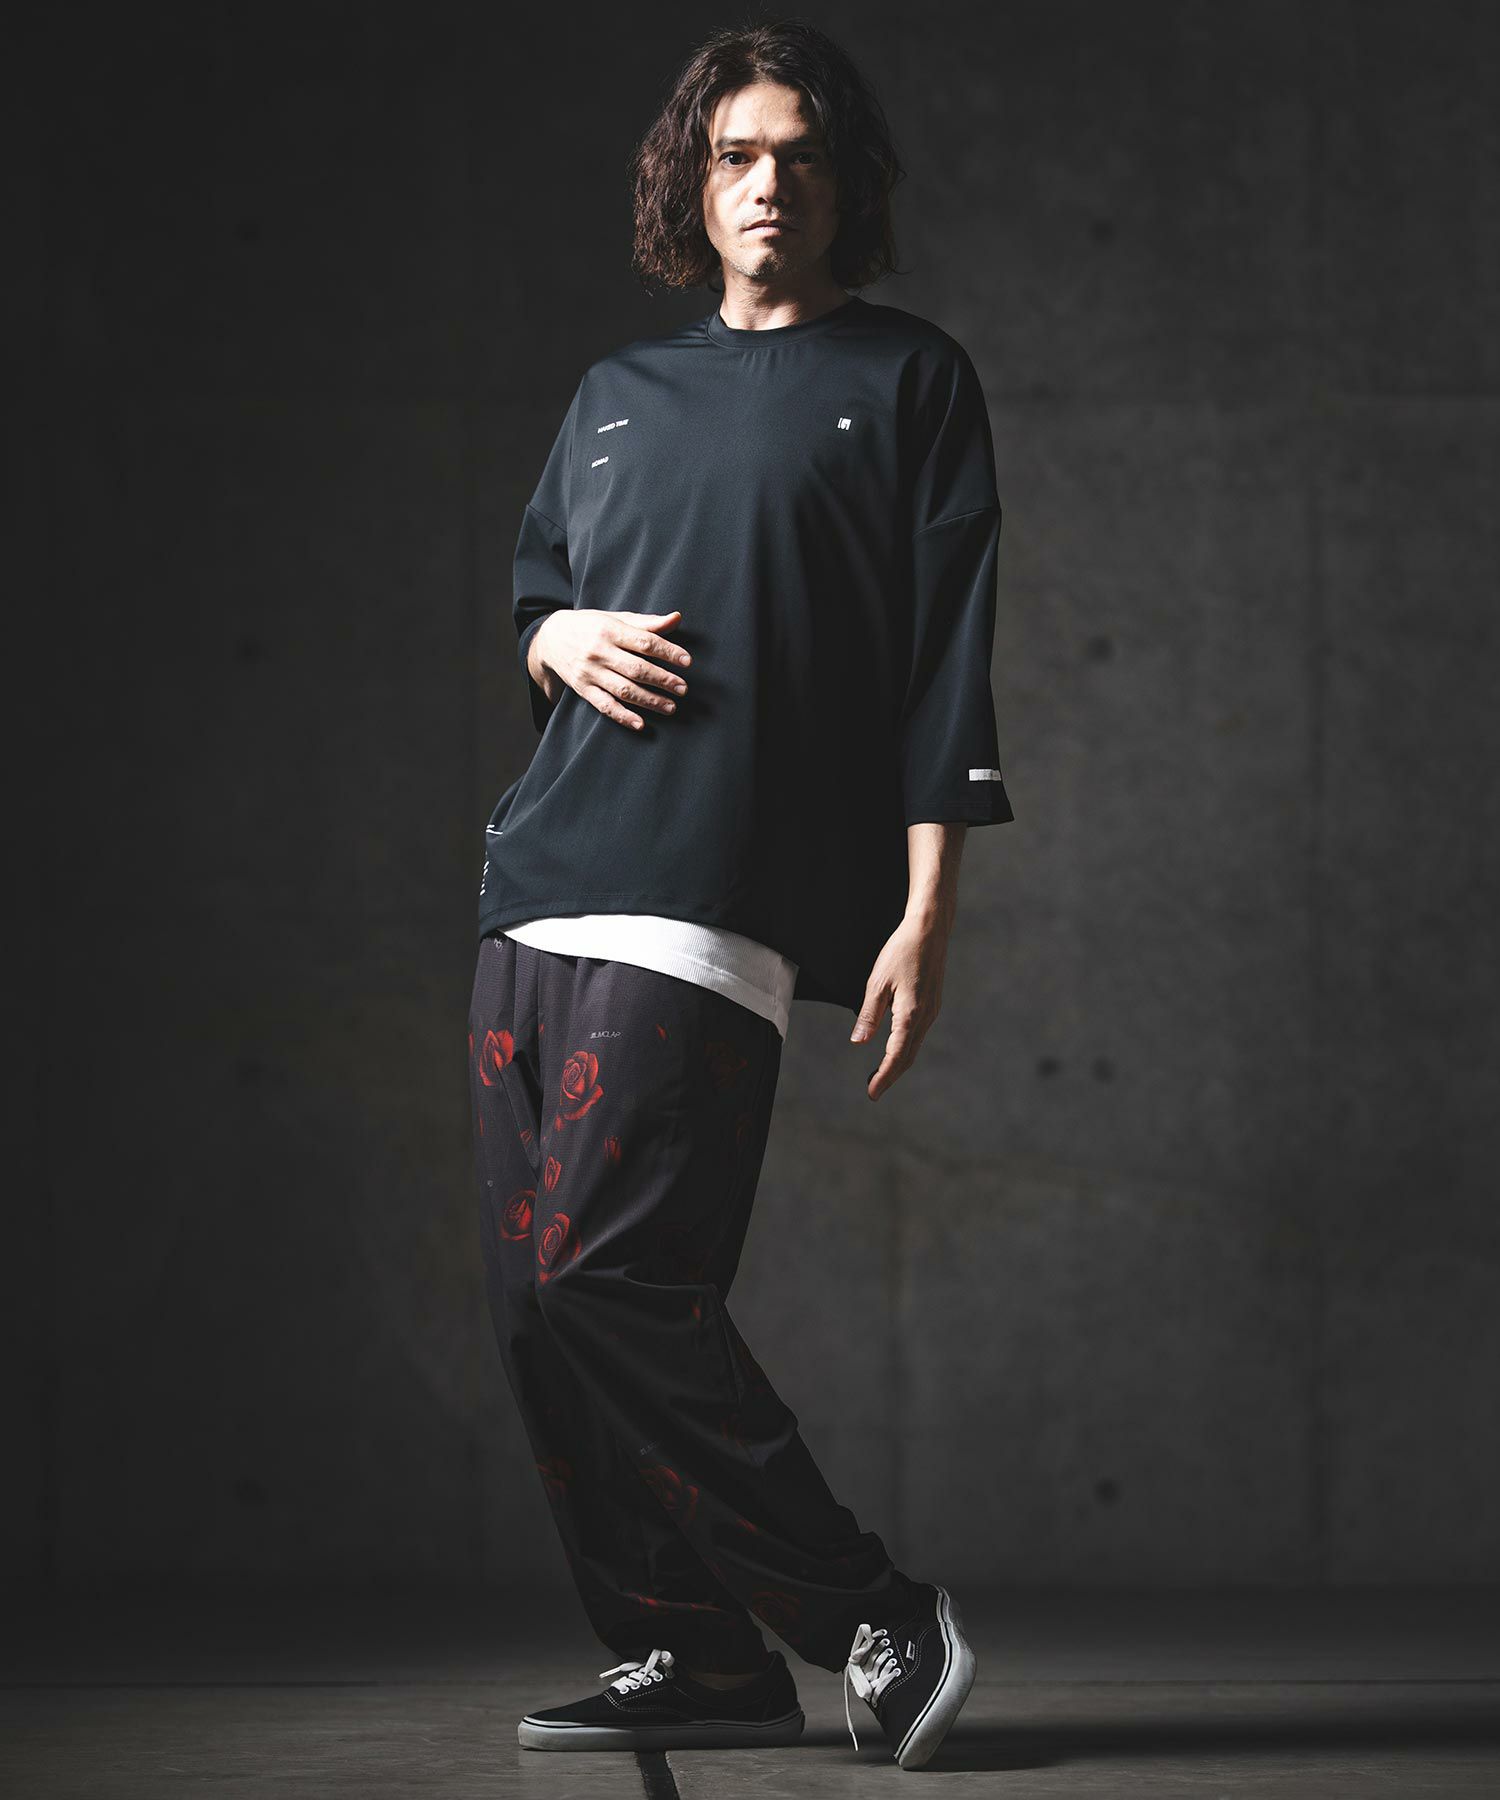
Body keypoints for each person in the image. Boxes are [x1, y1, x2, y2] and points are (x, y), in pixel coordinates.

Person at [466, 18, 1012, 1773]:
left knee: (609, 1272)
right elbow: (542, 598)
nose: (767, 184)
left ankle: (871, 1609)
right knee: (536, 1309)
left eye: (798, 155)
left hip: (711, 887)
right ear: (691, 185)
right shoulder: (613, 395)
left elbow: (944, 668)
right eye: (735, 156)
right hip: (540, 879)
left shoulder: (909, 380)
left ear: (845, 184)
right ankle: (692, 1652)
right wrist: (553, 634)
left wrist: (925, 911)